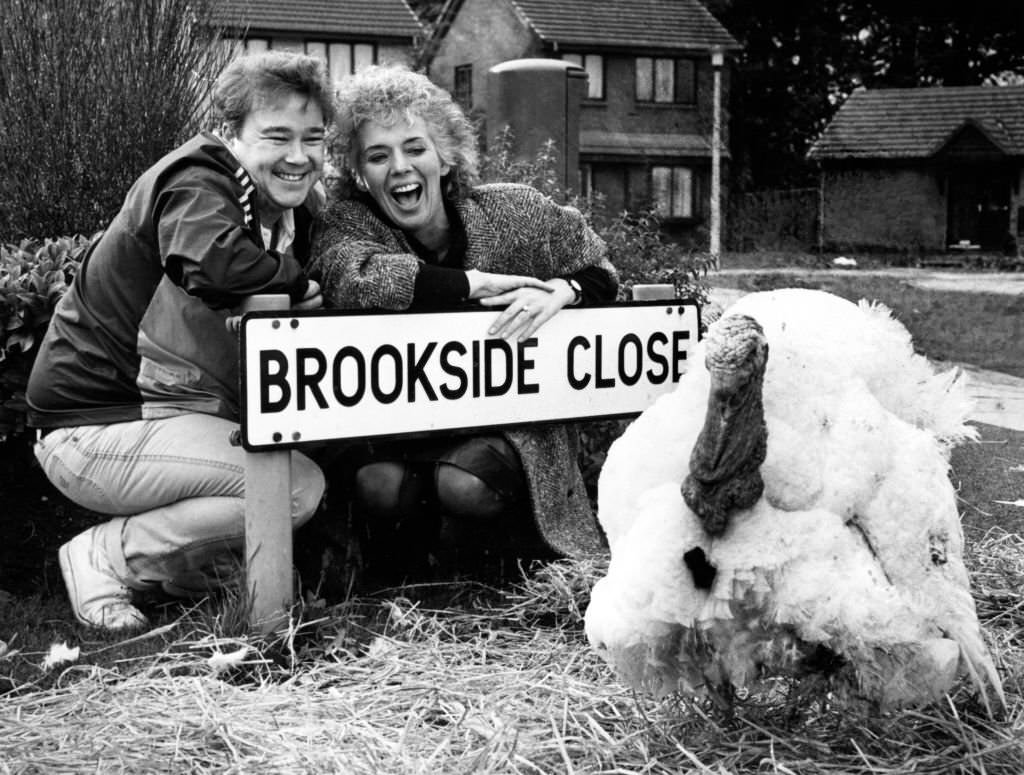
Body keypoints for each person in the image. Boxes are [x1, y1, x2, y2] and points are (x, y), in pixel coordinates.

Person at [26, 51, 332, 630]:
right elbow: (213, 264)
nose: (298, 156)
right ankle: (105, 555)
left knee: (288, 477)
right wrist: (297, 283)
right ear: (229, 134)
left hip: (166, 418)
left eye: (312, 138)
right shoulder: (199, 178)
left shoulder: (287, 212)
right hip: (96, 426)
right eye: (276, 136)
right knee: (292, 486)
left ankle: (183, 576)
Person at [309, 64, 618, 575]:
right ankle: (412, 569)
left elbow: (600, 268)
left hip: (509, 431)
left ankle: (503, 559)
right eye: (378, 156)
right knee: (378, 485)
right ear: (360, 173)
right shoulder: (347, 223)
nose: (400, 168)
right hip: (402, 433)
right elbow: (355, 277)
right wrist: (474, 283)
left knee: (467, 483)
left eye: (415, 148)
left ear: (446, 157)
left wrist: (566, 291)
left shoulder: (515, 211)